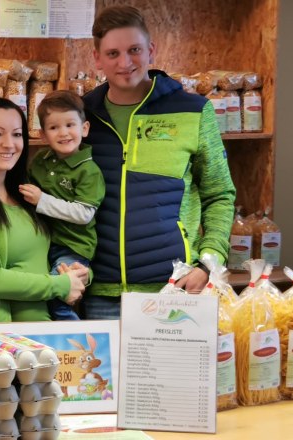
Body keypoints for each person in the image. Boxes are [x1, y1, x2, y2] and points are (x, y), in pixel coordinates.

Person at [82, 5, 236, 319]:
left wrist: (209, 262)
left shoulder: (193, 110)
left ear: (151, 50)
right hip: (99, 295)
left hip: (174, 289)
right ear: (97, 58)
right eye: (113, 53)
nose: (125, 63)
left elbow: (220, 194)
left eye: (134, 50)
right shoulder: (81, 117)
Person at [0, 97, 87, 336]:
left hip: (43, 336)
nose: (9, 144)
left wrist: (74, 274)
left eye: (17, 134)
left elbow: (38, 260)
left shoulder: (26, 193)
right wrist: (59, 285)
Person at [19, 90, 105, 321]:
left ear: (84, 128)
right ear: (43, 135)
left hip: (73, 246)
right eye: (54, 127)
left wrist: (42, 201)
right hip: (44, 243)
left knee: (59, 299)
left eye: (70, 125)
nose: (64, 133)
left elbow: (84, 214)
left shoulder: (89, 170)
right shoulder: (40, 161)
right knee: (39, 295)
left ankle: (75, 349)